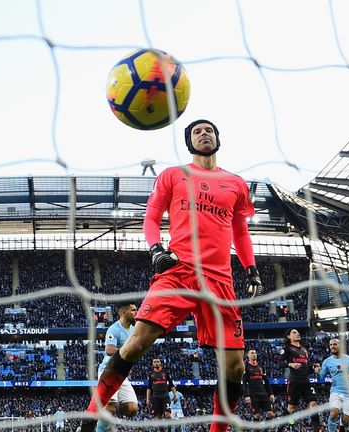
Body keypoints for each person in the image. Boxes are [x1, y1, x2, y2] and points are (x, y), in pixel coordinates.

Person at [83, 119, 263, 432]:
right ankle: (88, 421)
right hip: (178, 271)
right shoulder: (173, 175)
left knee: (234, 368)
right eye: (197, 131)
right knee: (136, 342)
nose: (204, 134)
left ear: (218, 138)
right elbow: (151, 217)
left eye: (209, 130)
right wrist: (155, 249)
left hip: (220, 281)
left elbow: (240, 231)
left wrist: (252, 269)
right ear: (188, 142)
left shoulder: (235, 183)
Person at [96, 302, 139, 432]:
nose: (136, 312)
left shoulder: (133, 330)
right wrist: (125, 354)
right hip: (108, 371)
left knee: (132, 409)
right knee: (111, 407)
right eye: (133, 310)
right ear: (124, 312)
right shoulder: (114, 329)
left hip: (122, 373)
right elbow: (109, 350)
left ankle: (106, 416)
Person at [315, 338, 349, 432]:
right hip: (335, 391)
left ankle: (343, 421)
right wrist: (317, 373)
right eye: (331, 345)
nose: (332, 346)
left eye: (335, 344)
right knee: (333, 414)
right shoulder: (327, 362)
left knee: (346, 422)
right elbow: (321, 378)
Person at [281, 329, 321, 430]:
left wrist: (314, 368)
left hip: (306, 381)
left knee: (314, 404)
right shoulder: (287, 348)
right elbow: (279, 363)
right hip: (294, 381)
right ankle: (279, 428)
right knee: (292, 409)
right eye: (294, 332)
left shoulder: (304, 350)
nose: (298, 333)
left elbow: (307, 366)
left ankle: (317, 429)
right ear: (288, 337)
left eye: (298, 332)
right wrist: (290, 364)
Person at [242, 349, 275, 422]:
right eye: (252, 353)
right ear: (248, 355)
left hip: (263, 393)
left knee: (271, 414)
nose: (254, 354)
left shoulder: (261, 367)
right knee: (257, 416)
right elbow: (244, 382)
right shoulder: (246, 367)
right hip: (253, 394)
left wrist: (271, 393)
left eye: (255, 353)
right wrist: (246, 395)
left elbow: (266, 381)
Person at [147, 358, 175, 432]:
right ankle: (161, 430)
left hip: (165, 396)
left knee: (167, 414)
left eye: (157, 361)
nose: (156, 363)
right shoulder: (150, 374)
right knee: (158, 417)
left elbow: (171, 385)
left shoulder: (165, 372)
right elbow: (149, 387)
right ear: (152, 364)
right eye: (154, 362)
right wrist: (147, 399)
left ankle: (169, 430)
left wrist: (175, 395)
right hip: (155, 397)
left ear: (160, 363)